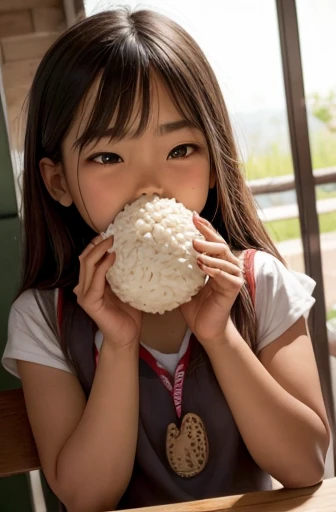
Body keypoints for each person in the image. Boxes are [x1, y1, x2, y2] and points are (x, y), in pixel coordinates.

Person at [2, 8, 330, 512]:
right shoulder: (43, 318)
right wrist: (116, 344)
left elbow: (305, 464)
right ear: (58, 181)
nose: (151, 183)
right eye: (108, 157)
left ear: (216, 163)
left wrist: (220, 337)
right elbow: (86, 497)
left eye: (180, 149)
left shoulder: (260, 282)